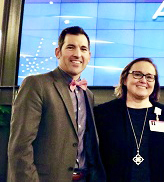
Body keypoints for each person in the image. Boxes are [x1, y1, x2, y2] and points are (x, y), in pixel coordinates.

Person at [8, 26, 105, 182]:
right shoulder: (36, 84)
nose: (77, 54)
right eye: (71, 47)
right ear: (58, 52)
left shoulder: (88, 95)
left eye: (83, 49)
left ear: (89, 55)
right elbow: (20, 147)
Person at [94, 57, 164, 182]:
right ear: (125, 79)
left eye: (149, 77)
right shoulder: (103, 114)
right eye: (137, 74)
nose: (143, 80)